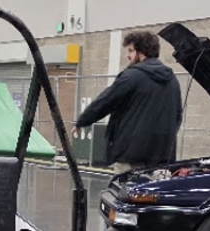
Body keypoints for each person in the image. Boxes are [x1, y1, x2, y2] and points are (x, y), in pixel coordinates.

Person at [73, 31, 182, 172]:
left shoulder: (131, 76)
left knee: (121, 193)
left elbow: (106, 101)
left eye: (131, 51)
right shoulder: (172, 80)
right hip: (162, 158)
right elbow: (178, 115)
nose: (128, 56)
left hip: (130, 155)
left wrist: (83, 120)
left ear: (142, 52)